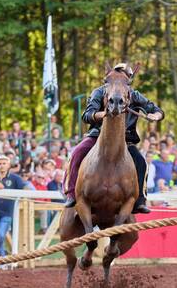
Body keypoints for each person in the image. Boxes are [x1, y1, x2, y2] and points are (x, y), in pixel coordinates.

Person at [63, 63, 164, 214]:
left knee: (141, 162)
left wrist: (154, 116)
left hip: (125, 141)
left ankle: (140, 200)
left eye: (124, 78)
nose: (118, 82)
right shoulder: (99, 92)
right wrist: (101, 114)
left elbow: (156, 110)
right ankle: (71, 193)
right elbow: (86, 115)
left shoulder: (134, 95)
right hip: (98, 136)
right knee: (77, 152)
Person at [0, 155, 27, 257]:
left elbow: (25, 188)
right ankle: (2, 258)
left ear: (9, 165)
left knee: (1, 235)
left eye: (4, 163)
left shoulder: (15, 178)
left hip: (8, 211)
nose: (2, 166)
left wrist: (20, 198)